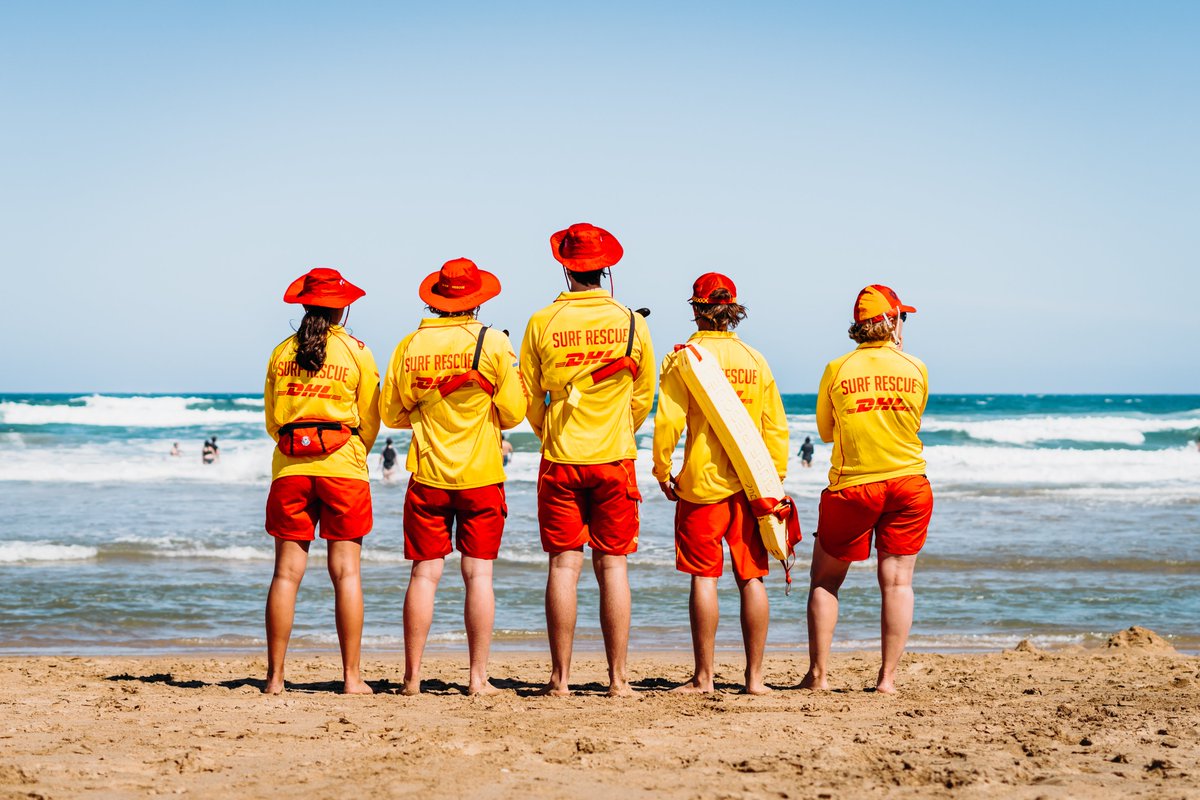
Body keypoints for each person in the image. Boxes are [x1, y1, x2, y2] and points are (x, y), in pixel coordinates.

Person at [380, 258, 527, 696]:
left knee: (423, 576)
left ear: (439, 301)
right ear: (476, 301)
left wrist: (426, 413)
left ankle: (411, 679)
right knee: (478, 577)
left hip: (427, 474)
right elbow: (515, 413)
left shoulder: (409, 345)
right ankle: (478, 679)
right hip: (481, 474)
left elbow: (390, 413)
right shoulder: (494, 344)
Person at [520, 222, 655, 697]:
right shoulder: (633, 322)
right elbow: (644, 396)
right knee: (613, 567)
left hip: (561, 456)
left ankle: (560, 681)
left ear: (564, 265)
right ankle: (618, 681)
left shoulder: (541, 322)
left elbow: (530, 398)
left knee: (563, 567)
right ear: (607, 267)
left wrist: (550, 430)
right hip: (614, 456)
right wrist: (617, 426)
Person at [653, 273, 788, 695]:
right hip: (752, 485)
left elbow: (670, 420)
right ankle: (755, 680)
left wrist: (662, 469)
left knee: (704, 578)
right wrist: (774, 481)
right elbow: (775, 426)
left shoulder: (684, 358)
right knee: (752, 579)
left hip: (702, 483)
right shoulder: (755, 359)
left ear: (695, 309)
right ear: (733, 311)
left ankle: (703, 678)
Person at [801, 285, 932, 694]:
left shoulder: (837, 368)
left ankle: (819, 676)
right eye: (902, 317)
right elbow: (912, 422)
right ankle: (887, 680)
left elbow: (825, 432)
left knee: (825, 581)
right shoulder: (917, 368)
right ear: (891, 321)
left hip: (854, 486)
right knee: (897, 584)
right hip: (909, 483)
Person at [262, 267, 381, 695]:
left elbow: (273, 421)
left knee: (285, 575)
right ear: (343, 308)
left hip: (291, 469)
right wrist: (350, 450)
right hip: (344, 467)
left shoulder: (279, 353)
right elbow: (370, 419)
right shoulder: (358, 352)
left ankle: (275, 679)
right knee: (347, 574)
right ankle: (351, 678)